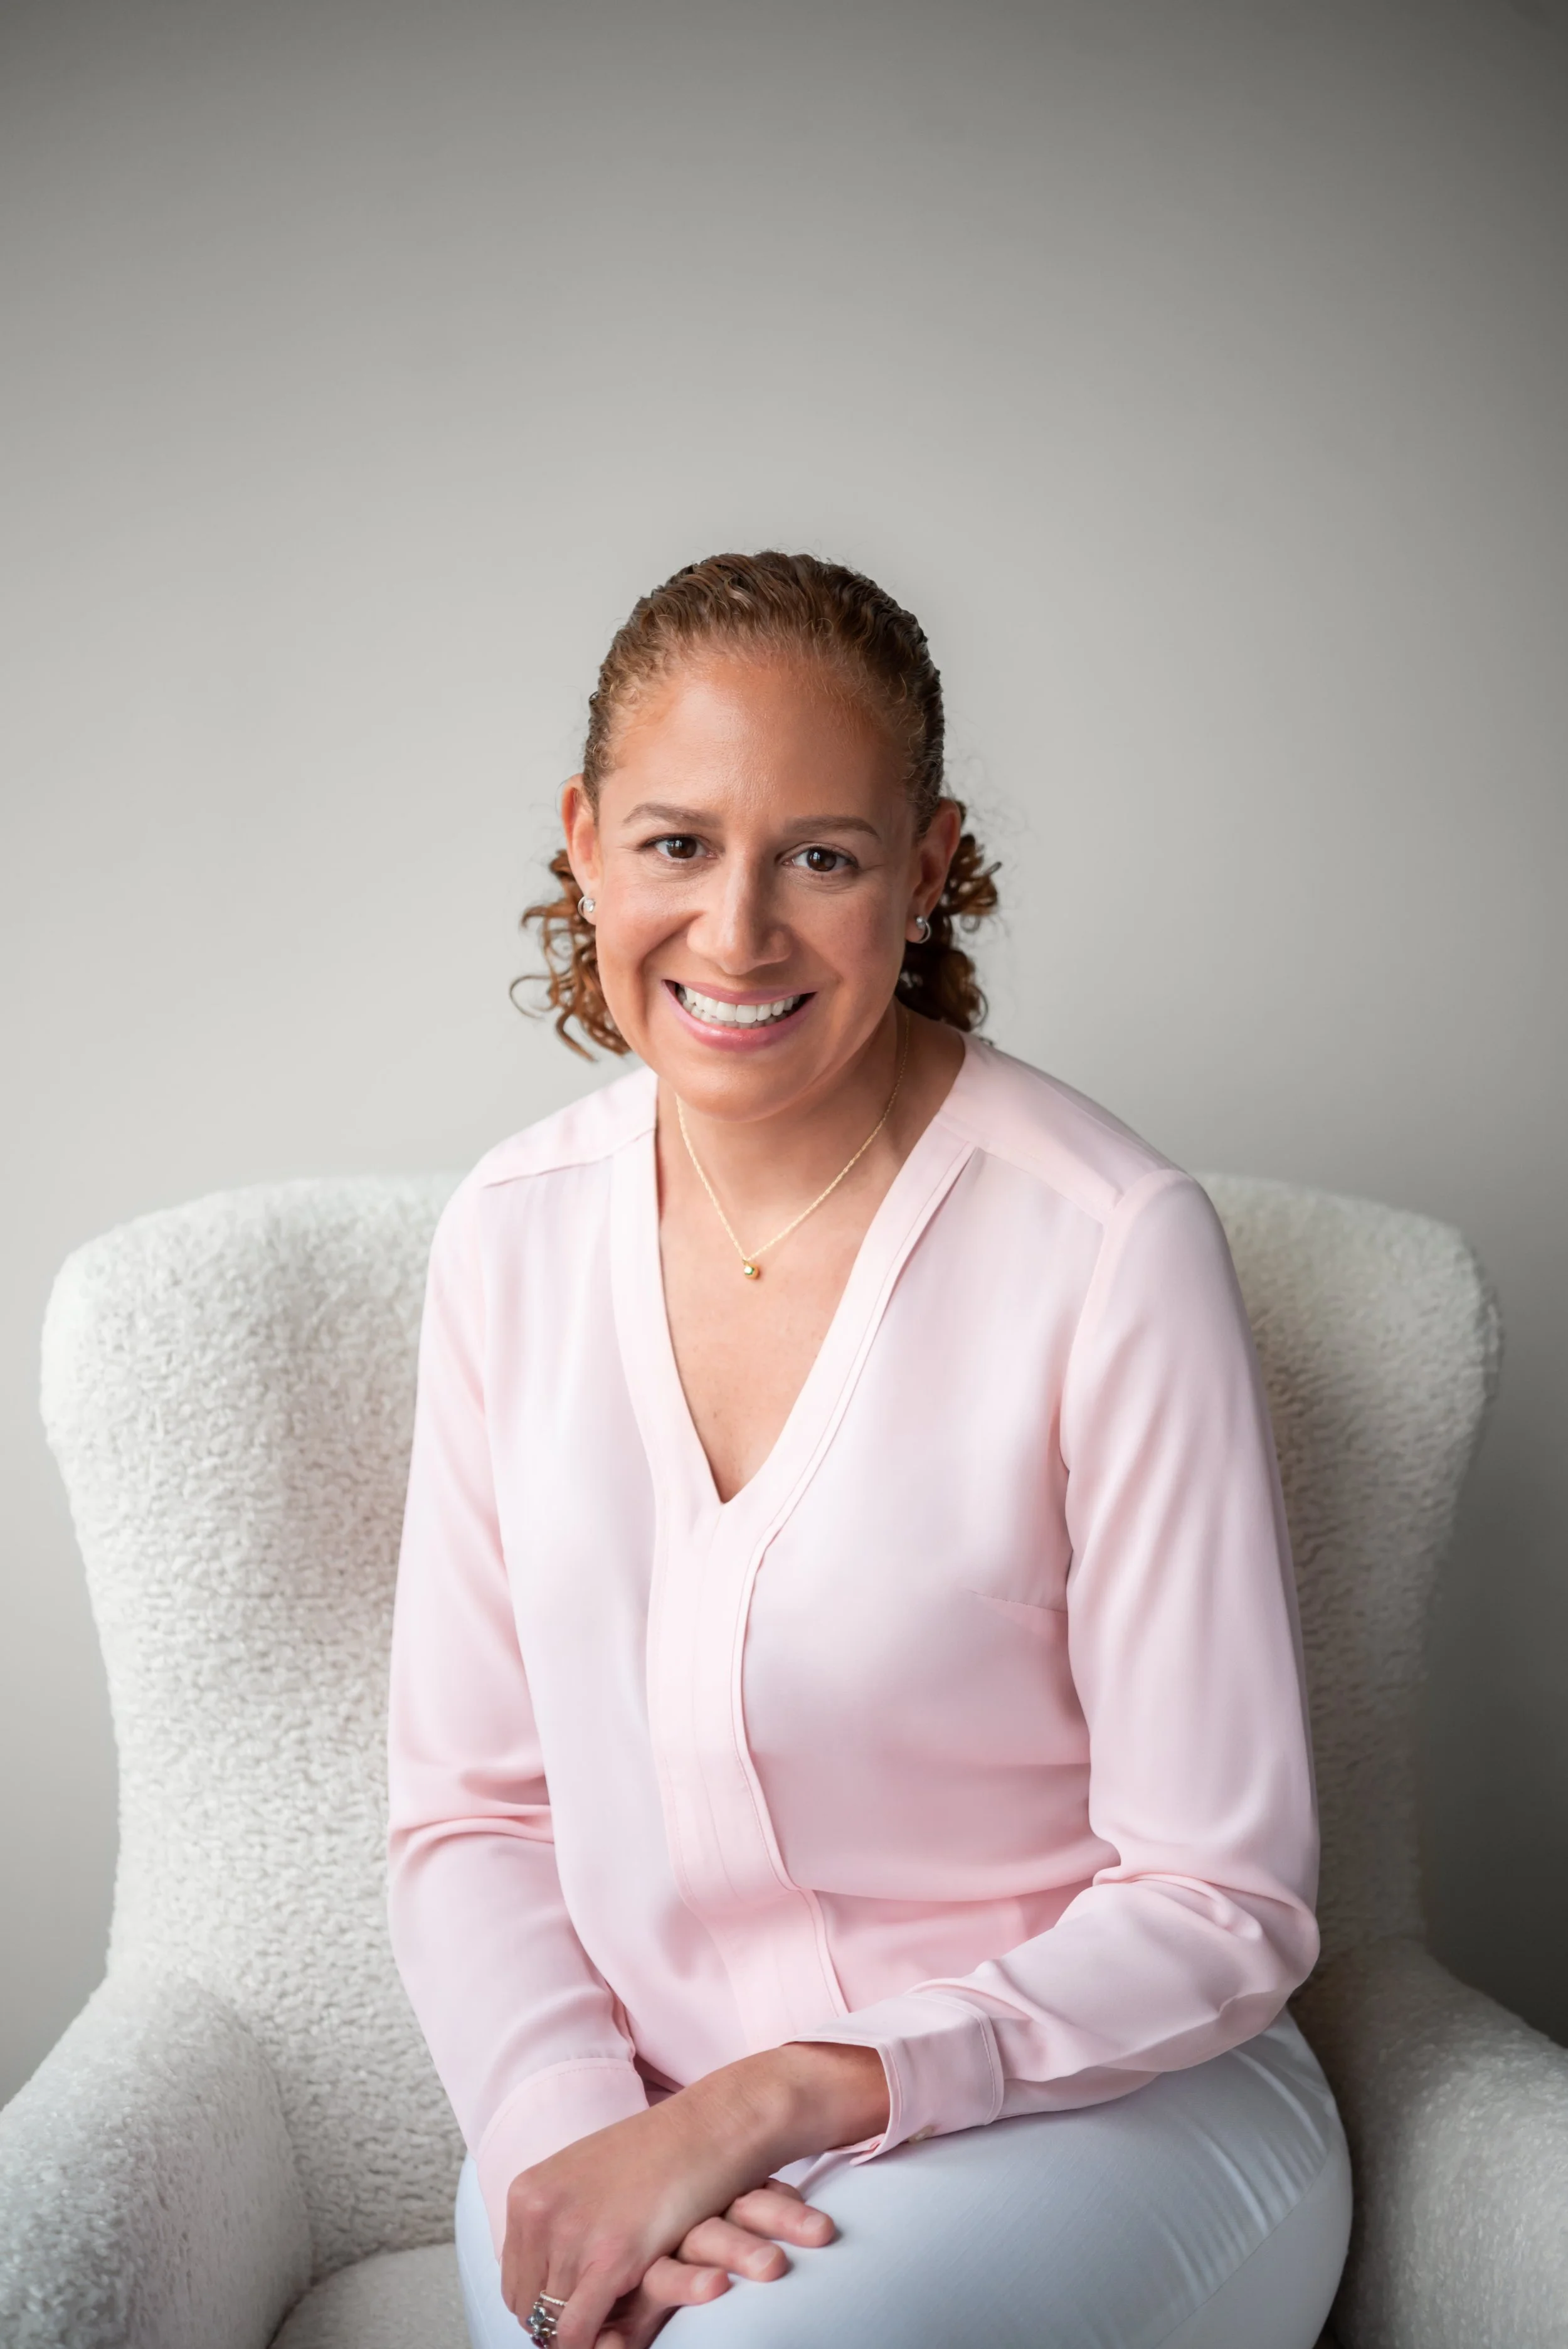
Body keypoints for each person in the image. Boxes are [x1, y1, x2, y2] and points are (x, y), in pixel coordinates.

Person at [386, 551, 1353, 2349]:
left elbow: (1218, 1898)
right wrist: (574, 2130)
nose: (736, 931)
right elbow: (472, 1812)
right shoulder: (509, 1237)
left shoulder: (1108, 1246)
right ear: (585, 842)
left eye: (820, 857)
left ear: (926, 868)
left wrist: (786, 2096)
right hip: (624, 2117)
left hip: (1097, 2110)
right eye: (678, 844)